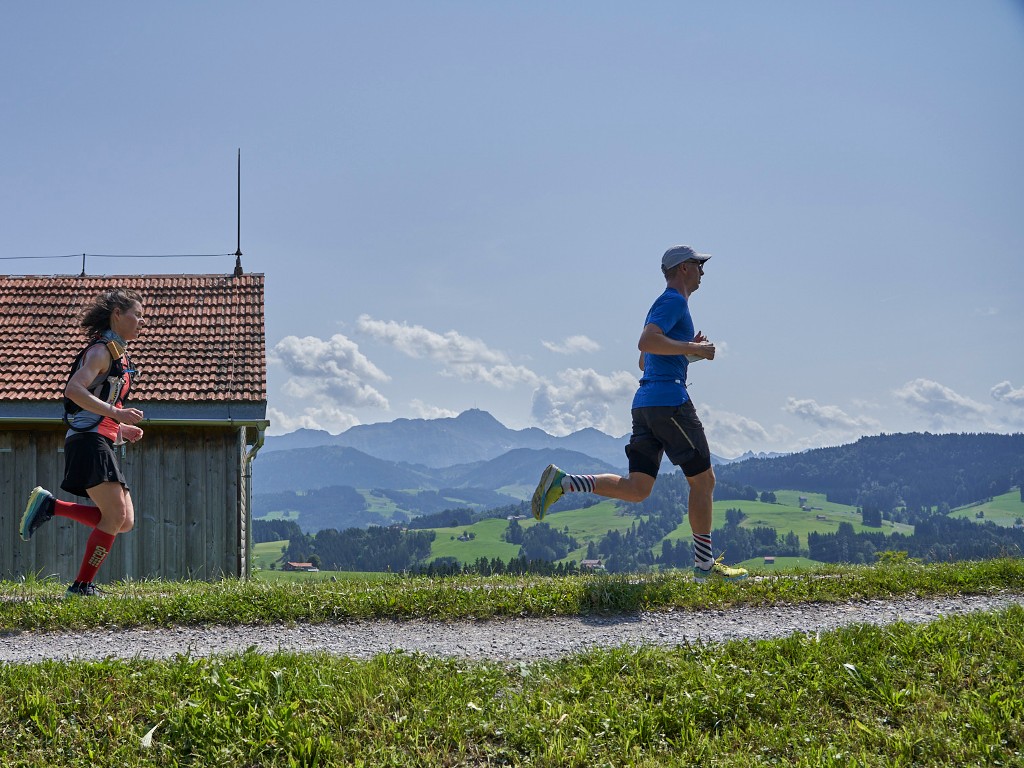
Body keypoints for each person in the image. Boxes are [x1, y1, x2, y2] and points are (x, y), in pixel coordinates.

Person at [531, 245, 747, 582]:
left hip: (645, 403)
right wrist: (694, 347)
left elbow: (646, 361)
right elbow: (646, 343)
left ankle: (565, 482)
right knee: (704, 480)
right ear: (683, 269)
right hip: (669, 401)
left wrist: (688, 354)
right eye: (699, 264)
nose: (704, 270)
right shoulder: (673, 301)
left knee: (637, 489)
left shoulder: (667, 305)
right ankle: (705, 568)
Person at [20, 289, 146, 597]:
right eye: (137, 315)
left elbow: (94, 407)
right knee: (115, 517)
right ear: (117, 312)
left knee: (124, 521)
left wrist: (119, 429)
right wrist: (118, 413)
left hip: (98, 439)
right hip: (87, 443)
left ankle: (51, 506)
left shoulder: (118, 354)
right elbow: (74, 391)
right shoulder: (101, 351)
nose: (142, 322)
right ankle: (81, 586)